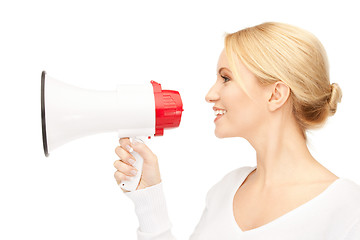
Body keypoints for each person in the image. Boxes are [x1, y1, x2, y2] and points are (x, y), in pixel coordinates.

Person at [113, 22, 360, 239]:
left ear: (276, 95)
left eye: (226, 78)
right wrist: (149, 197)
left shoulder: (347, 209)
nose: (210, 95)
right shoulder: (227, 190)